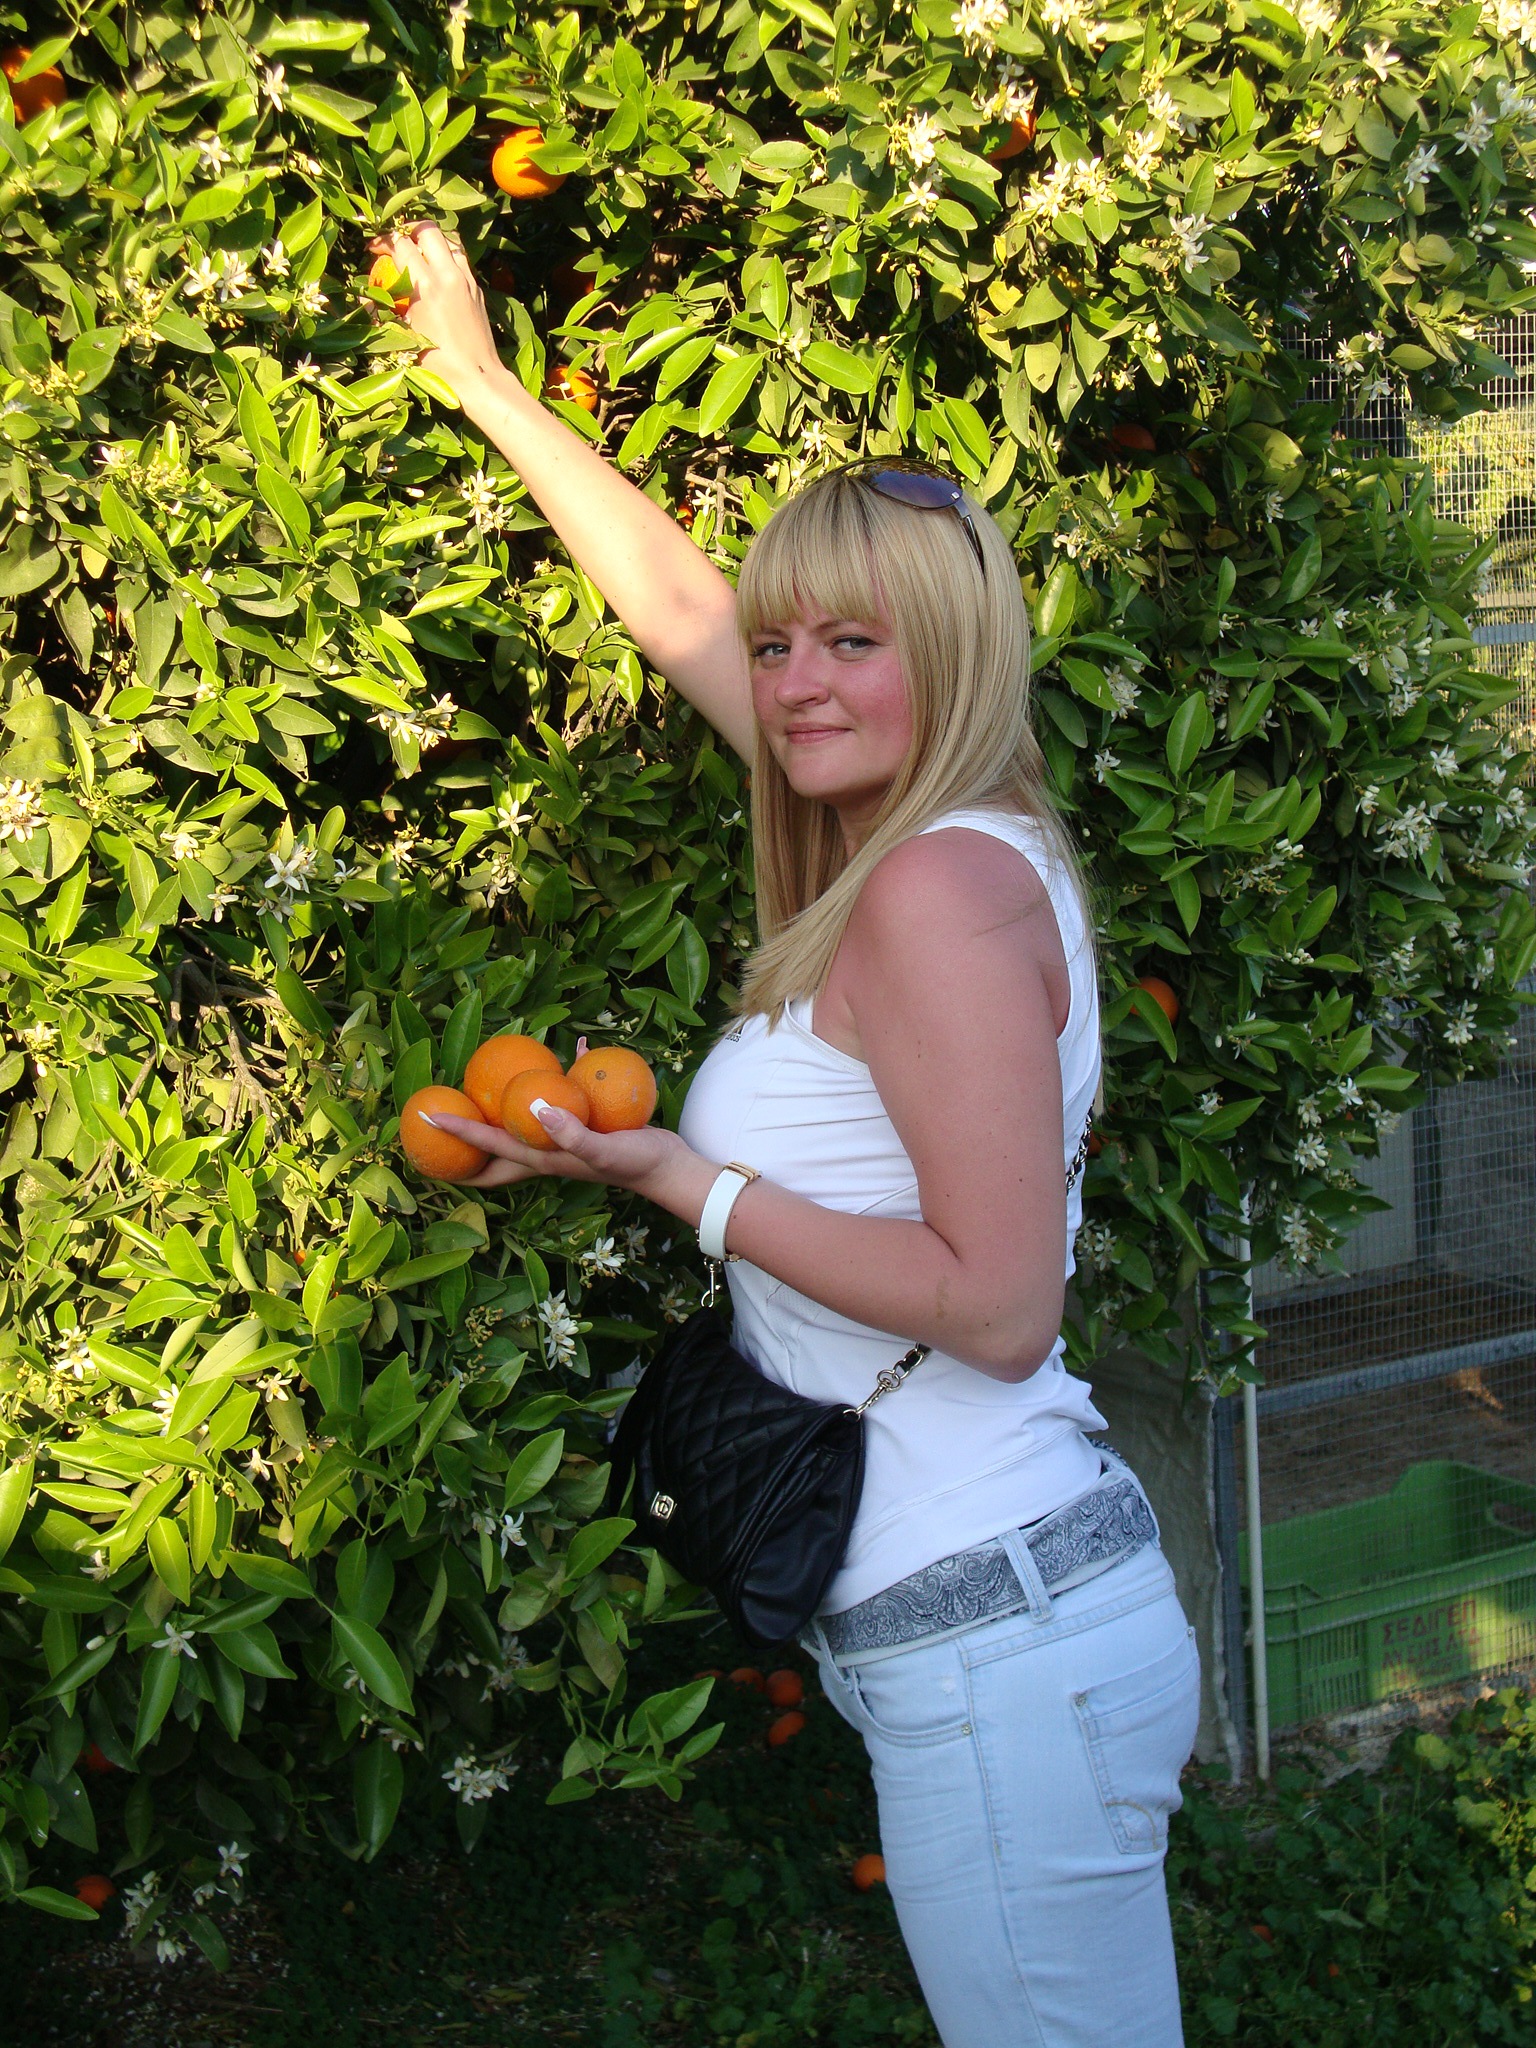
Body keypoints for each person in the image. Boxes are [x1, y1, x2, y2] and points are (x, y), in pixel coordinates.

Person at [378, 221, 1201, 2048]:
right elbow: (678, 608)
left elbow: (1002, 1309)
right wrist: (486, 386)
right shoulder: (957, 845)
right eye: (780, 646)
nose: (796, 680)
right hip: (1009, 1619)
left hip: (1000, 1640)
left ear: (953, 653)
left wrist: (691, 1182)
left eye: (854, 641)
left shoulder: (929, 890)